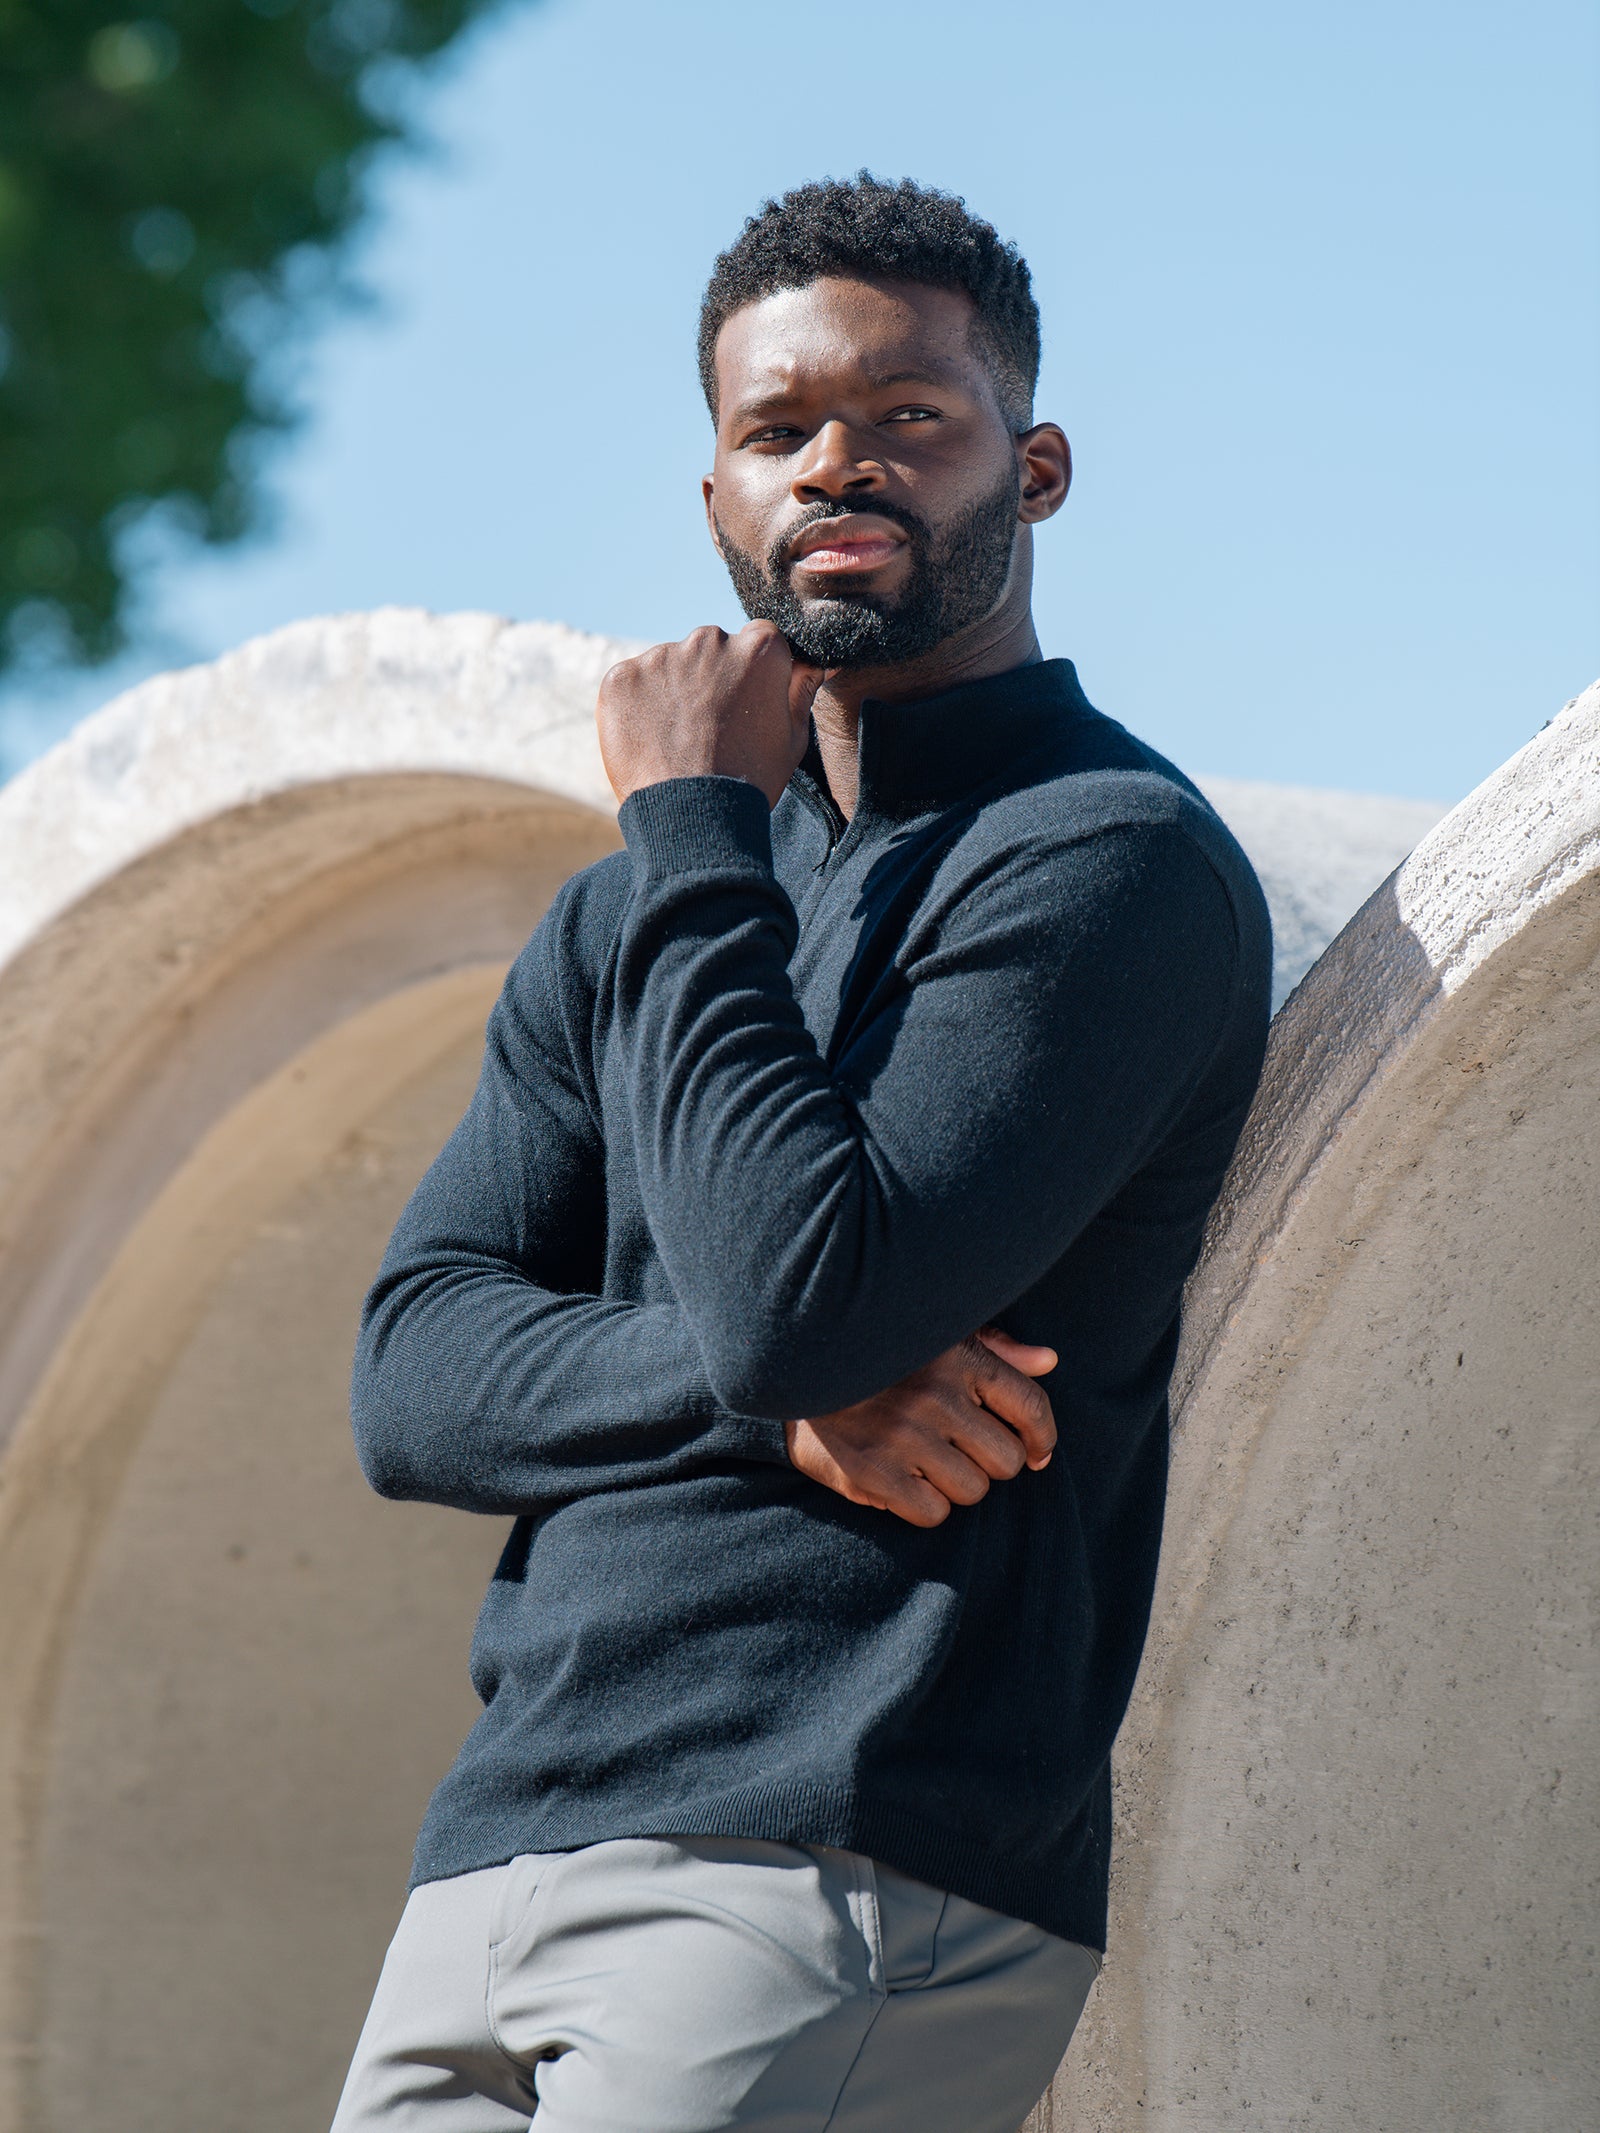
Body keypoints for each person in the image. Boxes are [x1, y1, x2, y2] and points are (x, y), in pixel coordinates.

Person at [331, 174, 1271, 2132]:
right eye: (776, 431)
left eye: (906, 419)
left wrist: (685, 824)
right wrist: (773, 1413)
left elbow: (800, 1292)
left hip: (842, 1858)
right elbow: (411, 1372)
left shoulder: (1100, 862)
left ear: (1031, 467)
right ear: (714, 503)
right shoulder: (633, 919)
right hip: (499, 1854)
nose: (837, 465)